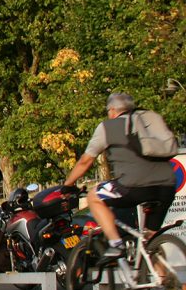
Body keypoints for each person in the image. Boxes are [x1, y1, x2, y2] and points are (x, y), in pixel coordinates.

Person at [64, 92, 176, 263]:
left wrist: (68, 184)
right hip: (167, 185)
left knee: (94, 196)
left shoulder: (107, 127)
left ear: (113, 110)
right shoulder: (149, 119)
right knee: (149, 241)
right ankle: (165, 283)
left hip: (134, 186)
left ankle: (116, 244)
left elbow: (85, 161)